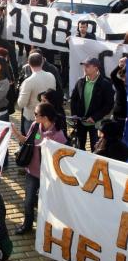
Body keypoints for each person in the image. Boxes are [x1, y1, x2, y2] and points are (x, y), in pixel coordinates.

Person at [11, 103, 66, 235]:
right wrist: (16, 133)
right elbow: (27, 141)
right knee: (28, 201)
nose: (33, 116)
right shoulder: (35, 126)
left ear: (45, 117)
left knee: (47, 204)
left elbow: (63, 156)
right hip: (32, 172)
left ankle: (47, 230)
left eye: (36, 114)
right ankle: (27, 225)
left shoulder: (58, 135)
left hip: (49, 175)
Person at [70, 57, 114, 151]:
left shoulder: (105, 84)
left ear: (96, 68)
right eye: (84, 66)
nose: (84, 68)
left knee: (95, 148)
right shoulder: (80, 81)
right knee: (80, 147)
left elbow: (109, 105)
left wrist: (95, 117)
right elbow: (73, 99)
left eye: (87, 66)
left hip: (95, 123)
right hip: (80, 121)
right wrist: (74, 114)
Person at [18, 53, 56, 134]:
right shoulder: (51, 76)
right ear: (42, 62)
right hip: (48, 119)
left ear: (28, 63)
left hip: (33, 119)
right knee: (44, 142)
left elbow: (21, 103)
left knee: (34, 142)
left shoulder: (28, 81)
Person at [110, 57, 127, 137]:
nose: (124, 77)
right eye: (123, 75)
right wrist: (120, 66)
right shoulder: (119, 83)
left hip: (125, 119)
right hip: (116, 116)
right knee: (114, 137)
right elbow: (112, 75)